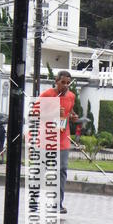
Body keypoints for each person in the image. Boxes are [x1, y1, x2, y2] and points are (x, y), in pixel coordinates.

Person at [38, 70, 78, 214]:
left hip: (63, 139)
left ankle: (57, 204)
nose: (65, 85)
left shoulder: (71, 96)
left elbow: (69, 111)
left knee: (61, 171)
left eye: (68, 83)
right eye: (63, 82)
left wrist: (73, 116)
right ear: (56, 81)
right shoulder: (47, 95)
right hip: (47, 138)